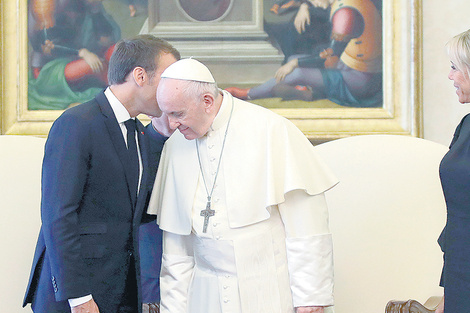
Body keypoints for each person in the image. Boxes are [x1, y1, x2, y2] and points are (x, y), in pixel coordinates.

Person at [147, 58, 338, 313]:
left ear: (207, 101)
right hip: (205, 295)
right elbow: (177, 250)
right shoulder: (175, 146)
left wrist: (310, 298)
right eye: (165, 114)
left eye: (178, 114)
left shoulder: (270, 129)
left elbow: (306, 225)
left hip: (267, 289)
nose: (170, 125)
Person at [23, 34, 180, 313]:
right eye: (168, 80)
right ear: (140, 76)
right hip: (77, 298)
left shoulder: (139, 132)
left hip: (120, 292)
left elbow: (137, 209)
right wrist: (79, 298)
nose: (173, 90)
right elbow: (58, 216)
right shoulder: (76, 124)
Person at [227, 0, 382, 108]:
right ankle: (309, 92)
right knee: (294, 58)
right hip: (349, 65)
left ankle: (247, 94)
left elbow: (330, 55)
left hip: (360, 81)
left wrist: (295, 64)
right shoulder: (345, 3)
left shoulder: (345, 13)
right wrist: (304, 6)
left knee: (297, 70)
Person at [436, 28, 470, 313]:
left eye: (454, 68)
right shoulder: (466, 126)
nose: (450, 76)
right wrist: (448, 290)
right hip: (460, 268)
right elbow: (455, 218)